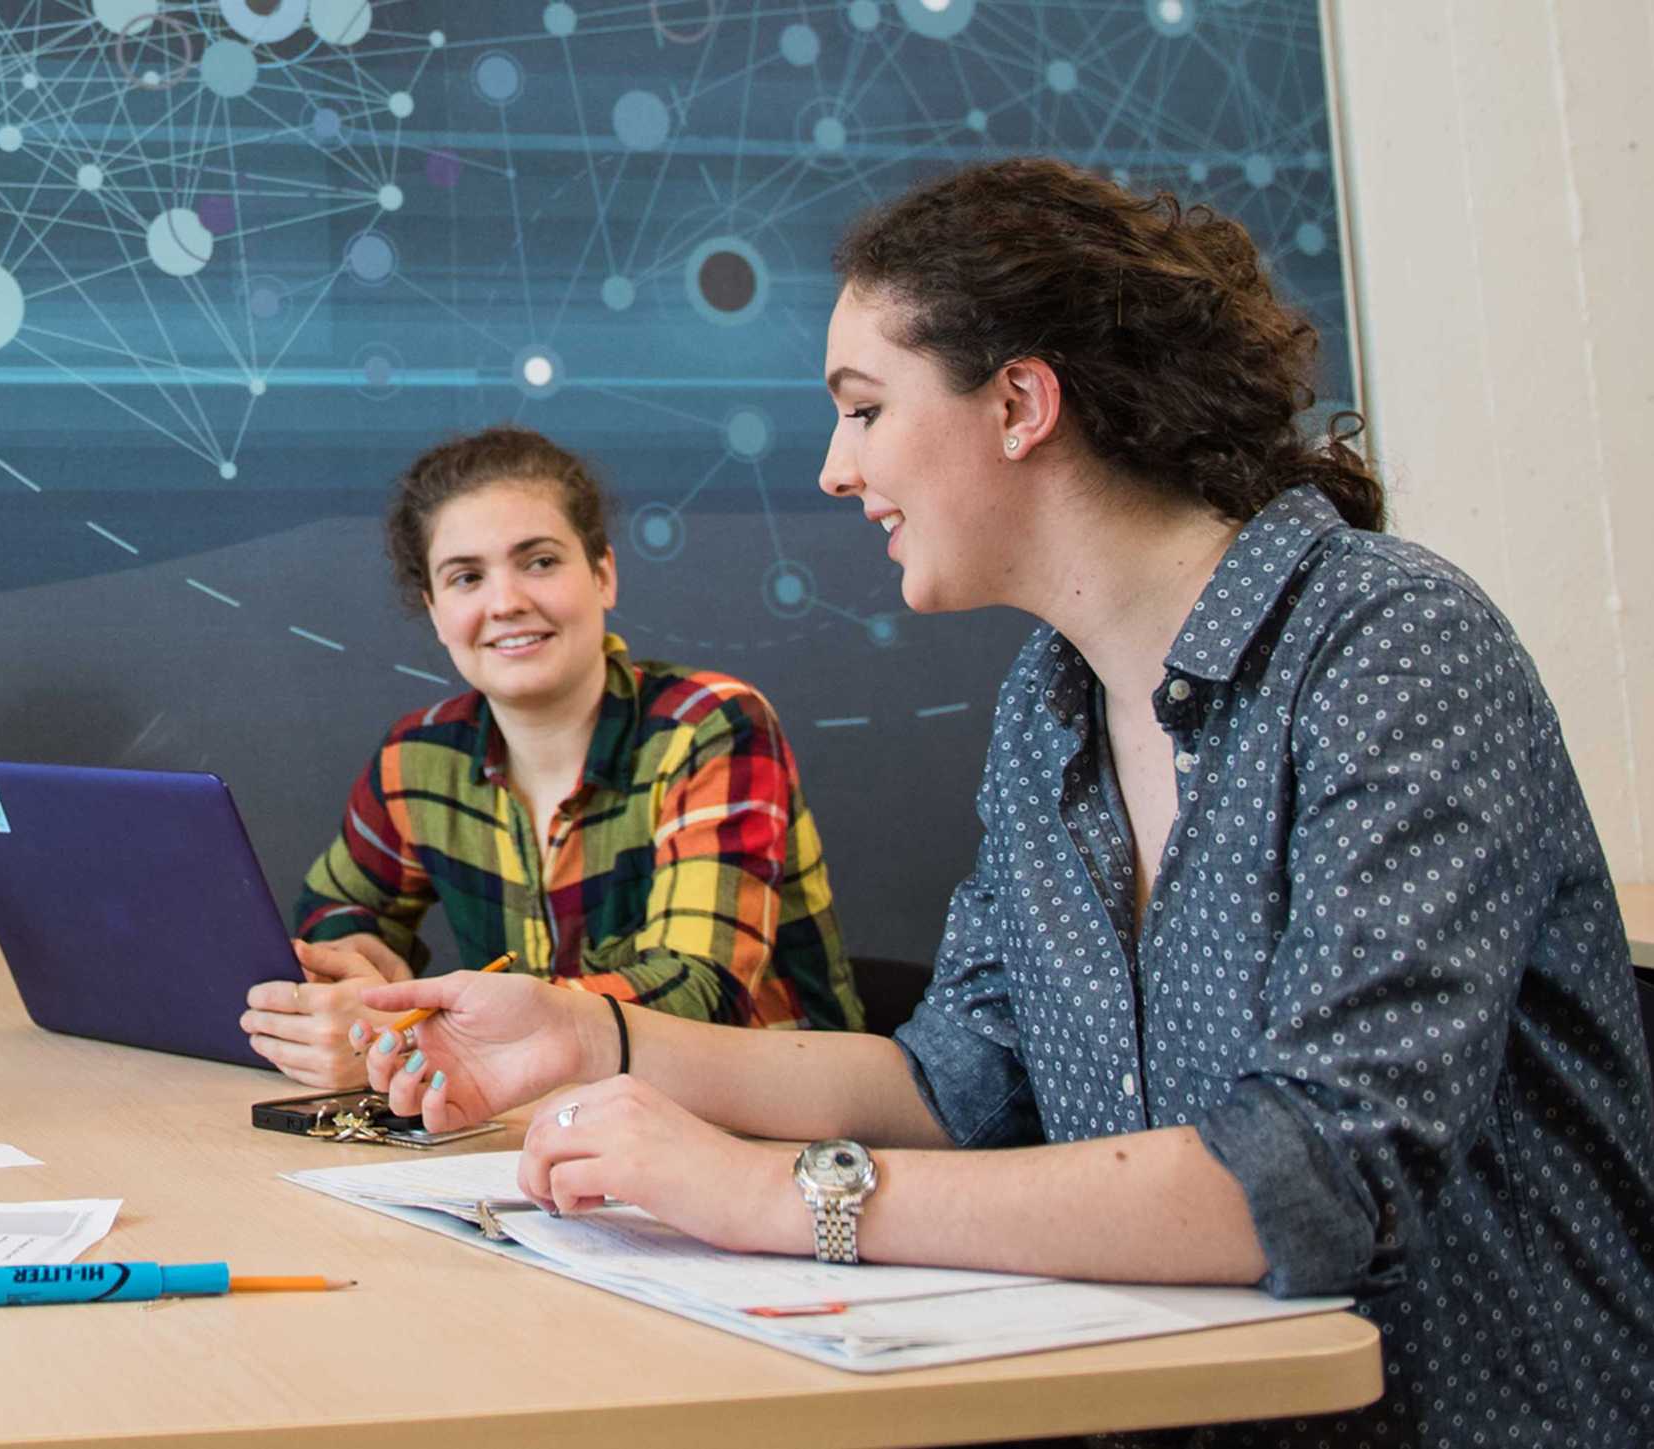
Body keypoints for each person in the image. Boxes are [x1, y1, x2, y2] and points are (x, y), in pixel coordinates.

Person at [355, 159, 1654, 1445]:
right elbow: (960, 1077)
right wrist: (587, 1037)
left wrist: (774, 1193)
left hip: (1452, 1415)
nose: (828, 466)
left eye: (861, 409)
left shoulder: (1387, 642)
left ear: (1019, 402)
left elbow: (1309, 1174)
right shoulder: (1052, 702)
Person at [239, 426, 863, 1089]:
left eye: (538, 561)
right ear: (434, 609)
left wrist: (410, 1034)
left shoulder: (708, 725)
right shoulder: (416, 757)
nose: (505, 602)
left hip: (773, 1123)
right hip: (547, 1120)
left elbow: (699, 992)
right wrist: (359, 968)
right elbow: (330, 912)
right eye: (466, 577)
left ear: (603, 574)